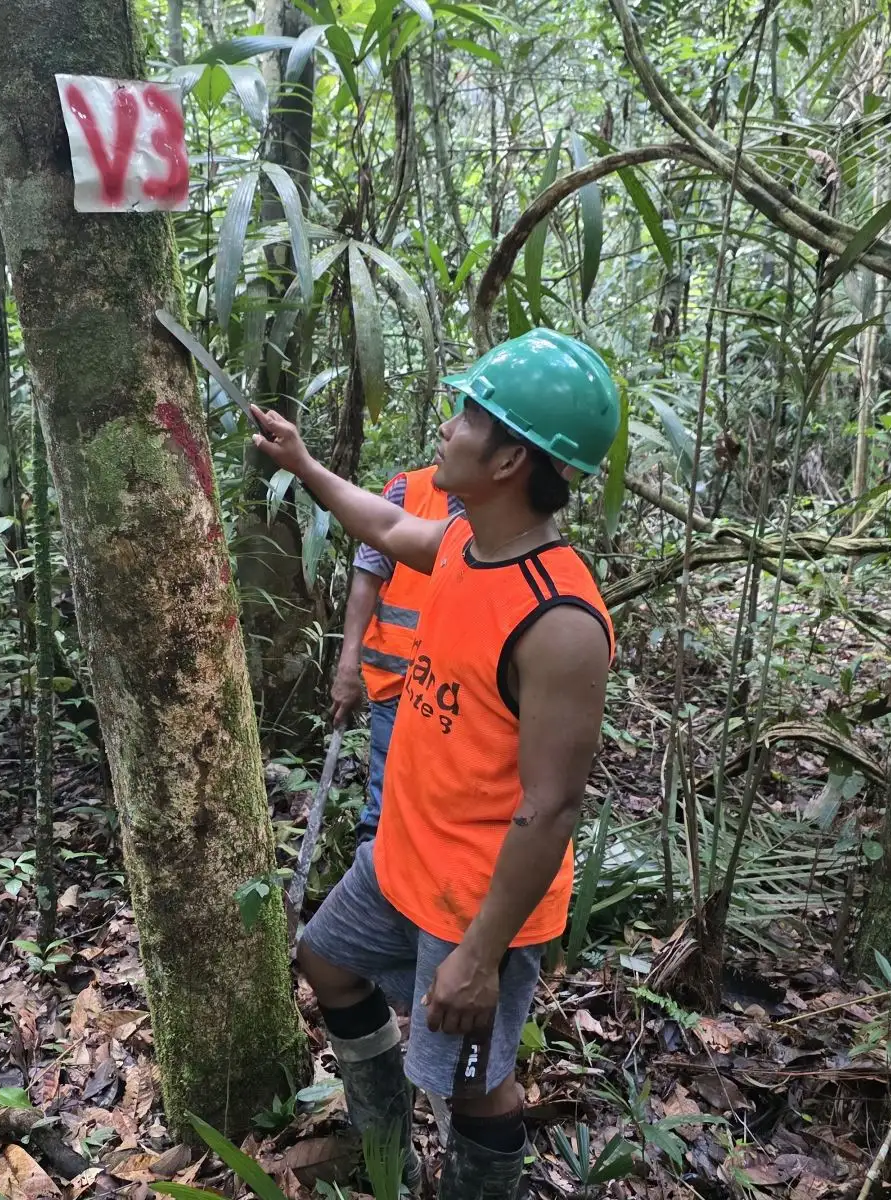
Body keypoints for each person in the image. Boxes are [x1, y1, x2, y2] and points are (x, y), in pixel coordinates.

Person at [253, 328, 618, 1200]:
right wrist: (305, 464)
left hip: (477, 899)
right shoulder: (464, 543)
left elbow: (553, 805)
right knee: (327, 961)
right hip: (402, 862)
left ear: (509, 461)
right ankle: (386, 1151)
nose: (447, 429)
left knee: (472, 1081)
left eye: (468, 416)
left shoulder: (560, 619)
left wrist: (482, 954)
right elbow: (381, 522)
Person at [330, 466, 464, 842]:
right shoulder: (410, 490)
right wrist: (347, 666)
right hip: (397, 683)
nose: (447, 430)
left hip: (460, 696)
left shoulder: (502, 510)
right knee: (384, 804)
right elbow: (367, 578)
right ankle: (370, 886)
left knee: (441, 808)